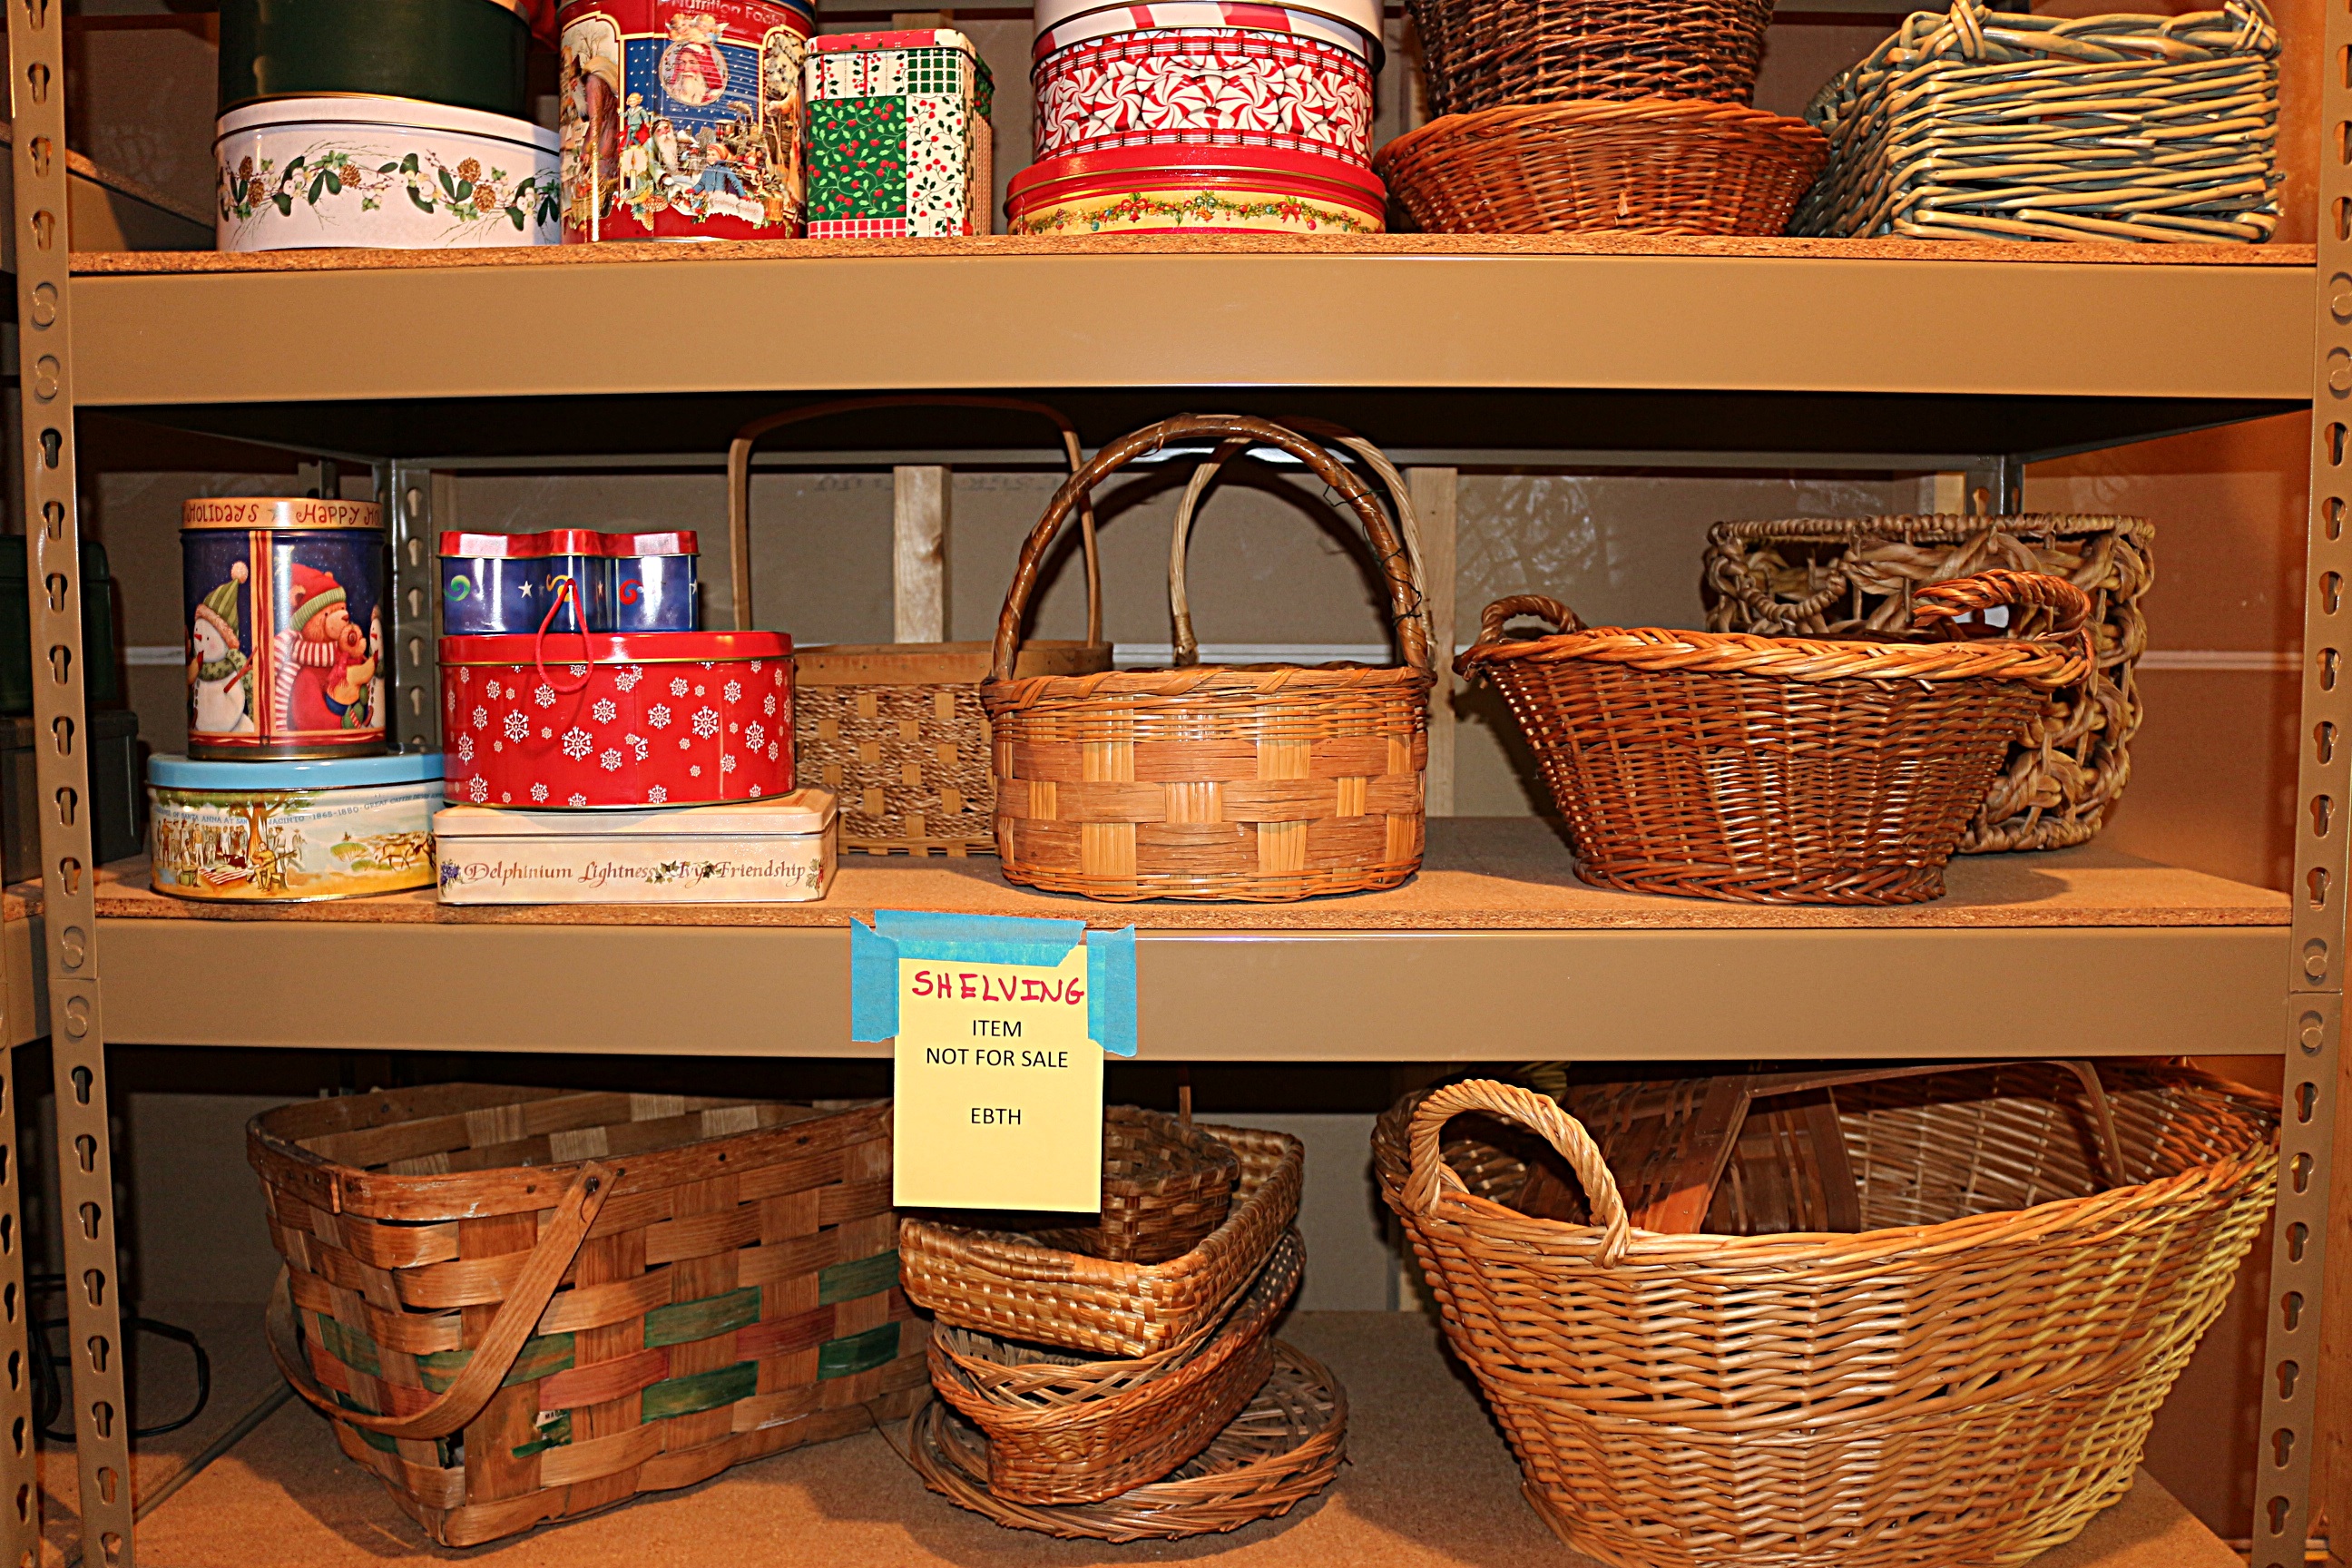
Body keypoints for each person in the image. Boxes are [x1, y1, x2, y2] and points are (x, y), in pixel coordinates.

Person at [273, 563, 377, 734]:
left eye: (342, 609)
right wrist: (344, 724)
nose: (344, 616)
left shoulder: (343, 656)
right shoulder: (306, 674)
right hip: (326, 734)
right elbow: (310, 717)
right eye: (328, 613)